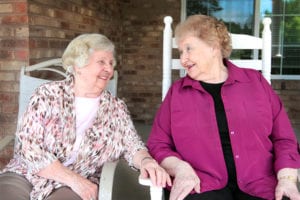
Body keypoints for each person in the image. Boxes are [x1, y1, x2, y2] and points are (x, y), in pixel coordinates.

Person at [0, 33, 171, 200]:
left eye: (111, 63)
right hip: (27, 173)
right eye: (101, 62)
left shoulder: (116, 108)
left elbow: (132, 145)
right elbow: (29, 147)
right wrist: (72, 179)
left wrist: (146, 161)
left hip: (80, 178)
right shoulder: (46, 95)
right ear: (78, 66)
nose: (109, 69)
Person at [147, 14, 300, 200]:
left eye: (188, 49)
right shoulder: (177, 93)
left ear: (213, 46)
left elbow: (284, 139)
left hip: (260, 183)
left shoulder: (255, 82)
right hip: (200, 184)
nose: (183, 59)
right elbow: (158, 143)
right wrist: (180, 168)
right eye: (180, 52)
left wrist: (287, 178)